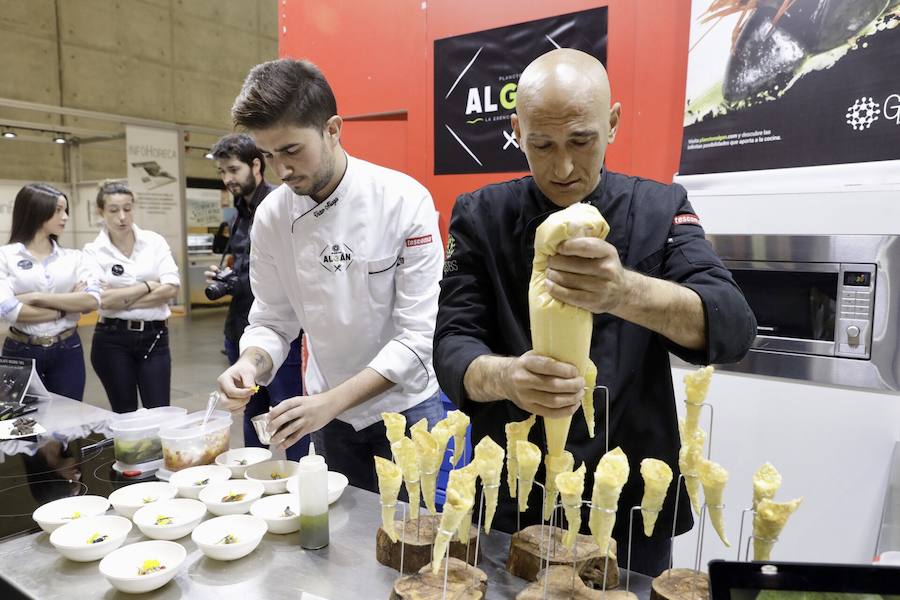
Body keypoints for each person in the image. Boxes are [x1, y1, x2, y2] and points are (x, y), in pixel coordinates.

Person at [433, 48, 756, 576]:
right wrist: (507, 376)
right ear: (516, 130)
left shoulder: (659, 207)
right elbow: (451, 345)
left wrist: (624, 292)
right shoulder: (481, 215)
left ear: (612, 123)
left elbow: (733, 327)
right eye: (541, 145)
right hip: (517, 496)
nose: (562, 167)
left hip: (629, 498)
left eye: (581, 141)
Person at [216, 58, 445, 492]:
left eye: (291, 150)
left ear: (333, 129)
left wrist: (326, 403)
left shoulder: (402, 201)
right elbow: (272, 320)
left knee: (419, 541)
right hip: (332, 420)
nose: (281, 170)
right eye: (268, 154)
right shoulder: (272, 217)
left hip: (409, 411)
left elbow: (417, 339)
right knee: (346, 544)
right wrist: (251, 363)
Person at [207, 133, 308, 460]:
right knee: (251, 421)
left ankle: (297, 488)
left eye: (233, 170)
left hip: (283, 334)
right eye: (222, 172)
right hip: (242, 329)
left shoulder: (282, 206)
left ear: (256, 165)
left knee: (290, 421)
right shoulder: (239, 211)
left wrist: (239, 279)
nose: (228, 179)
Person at [82, 182, 180, 414]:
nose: (122, 217)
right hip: (112, 339)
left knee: (159, 412)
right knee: (124, 414)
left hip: (155, 337)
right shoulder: (93, 251)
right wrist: (147, 286)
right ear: (101, 212)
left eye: (127, 208)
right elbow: (101, 300)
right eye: (114, 210)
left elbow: (171, 288)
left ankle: (157, 453)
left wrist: (119, 298)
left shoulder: (154, 242)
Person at [0, 183, 101, 401]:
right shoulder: (5, 257)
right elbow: (8, 309)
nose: (64, 217)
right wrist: (65, 309)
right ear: (35, 210)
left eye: (66, 211)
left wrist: (36, 298)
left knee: (67, 422)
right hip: (20, 351)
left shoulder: (74, 258)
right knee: (17, 424)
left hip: (68, 349)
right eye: (57, 210)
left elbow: (92, 300)